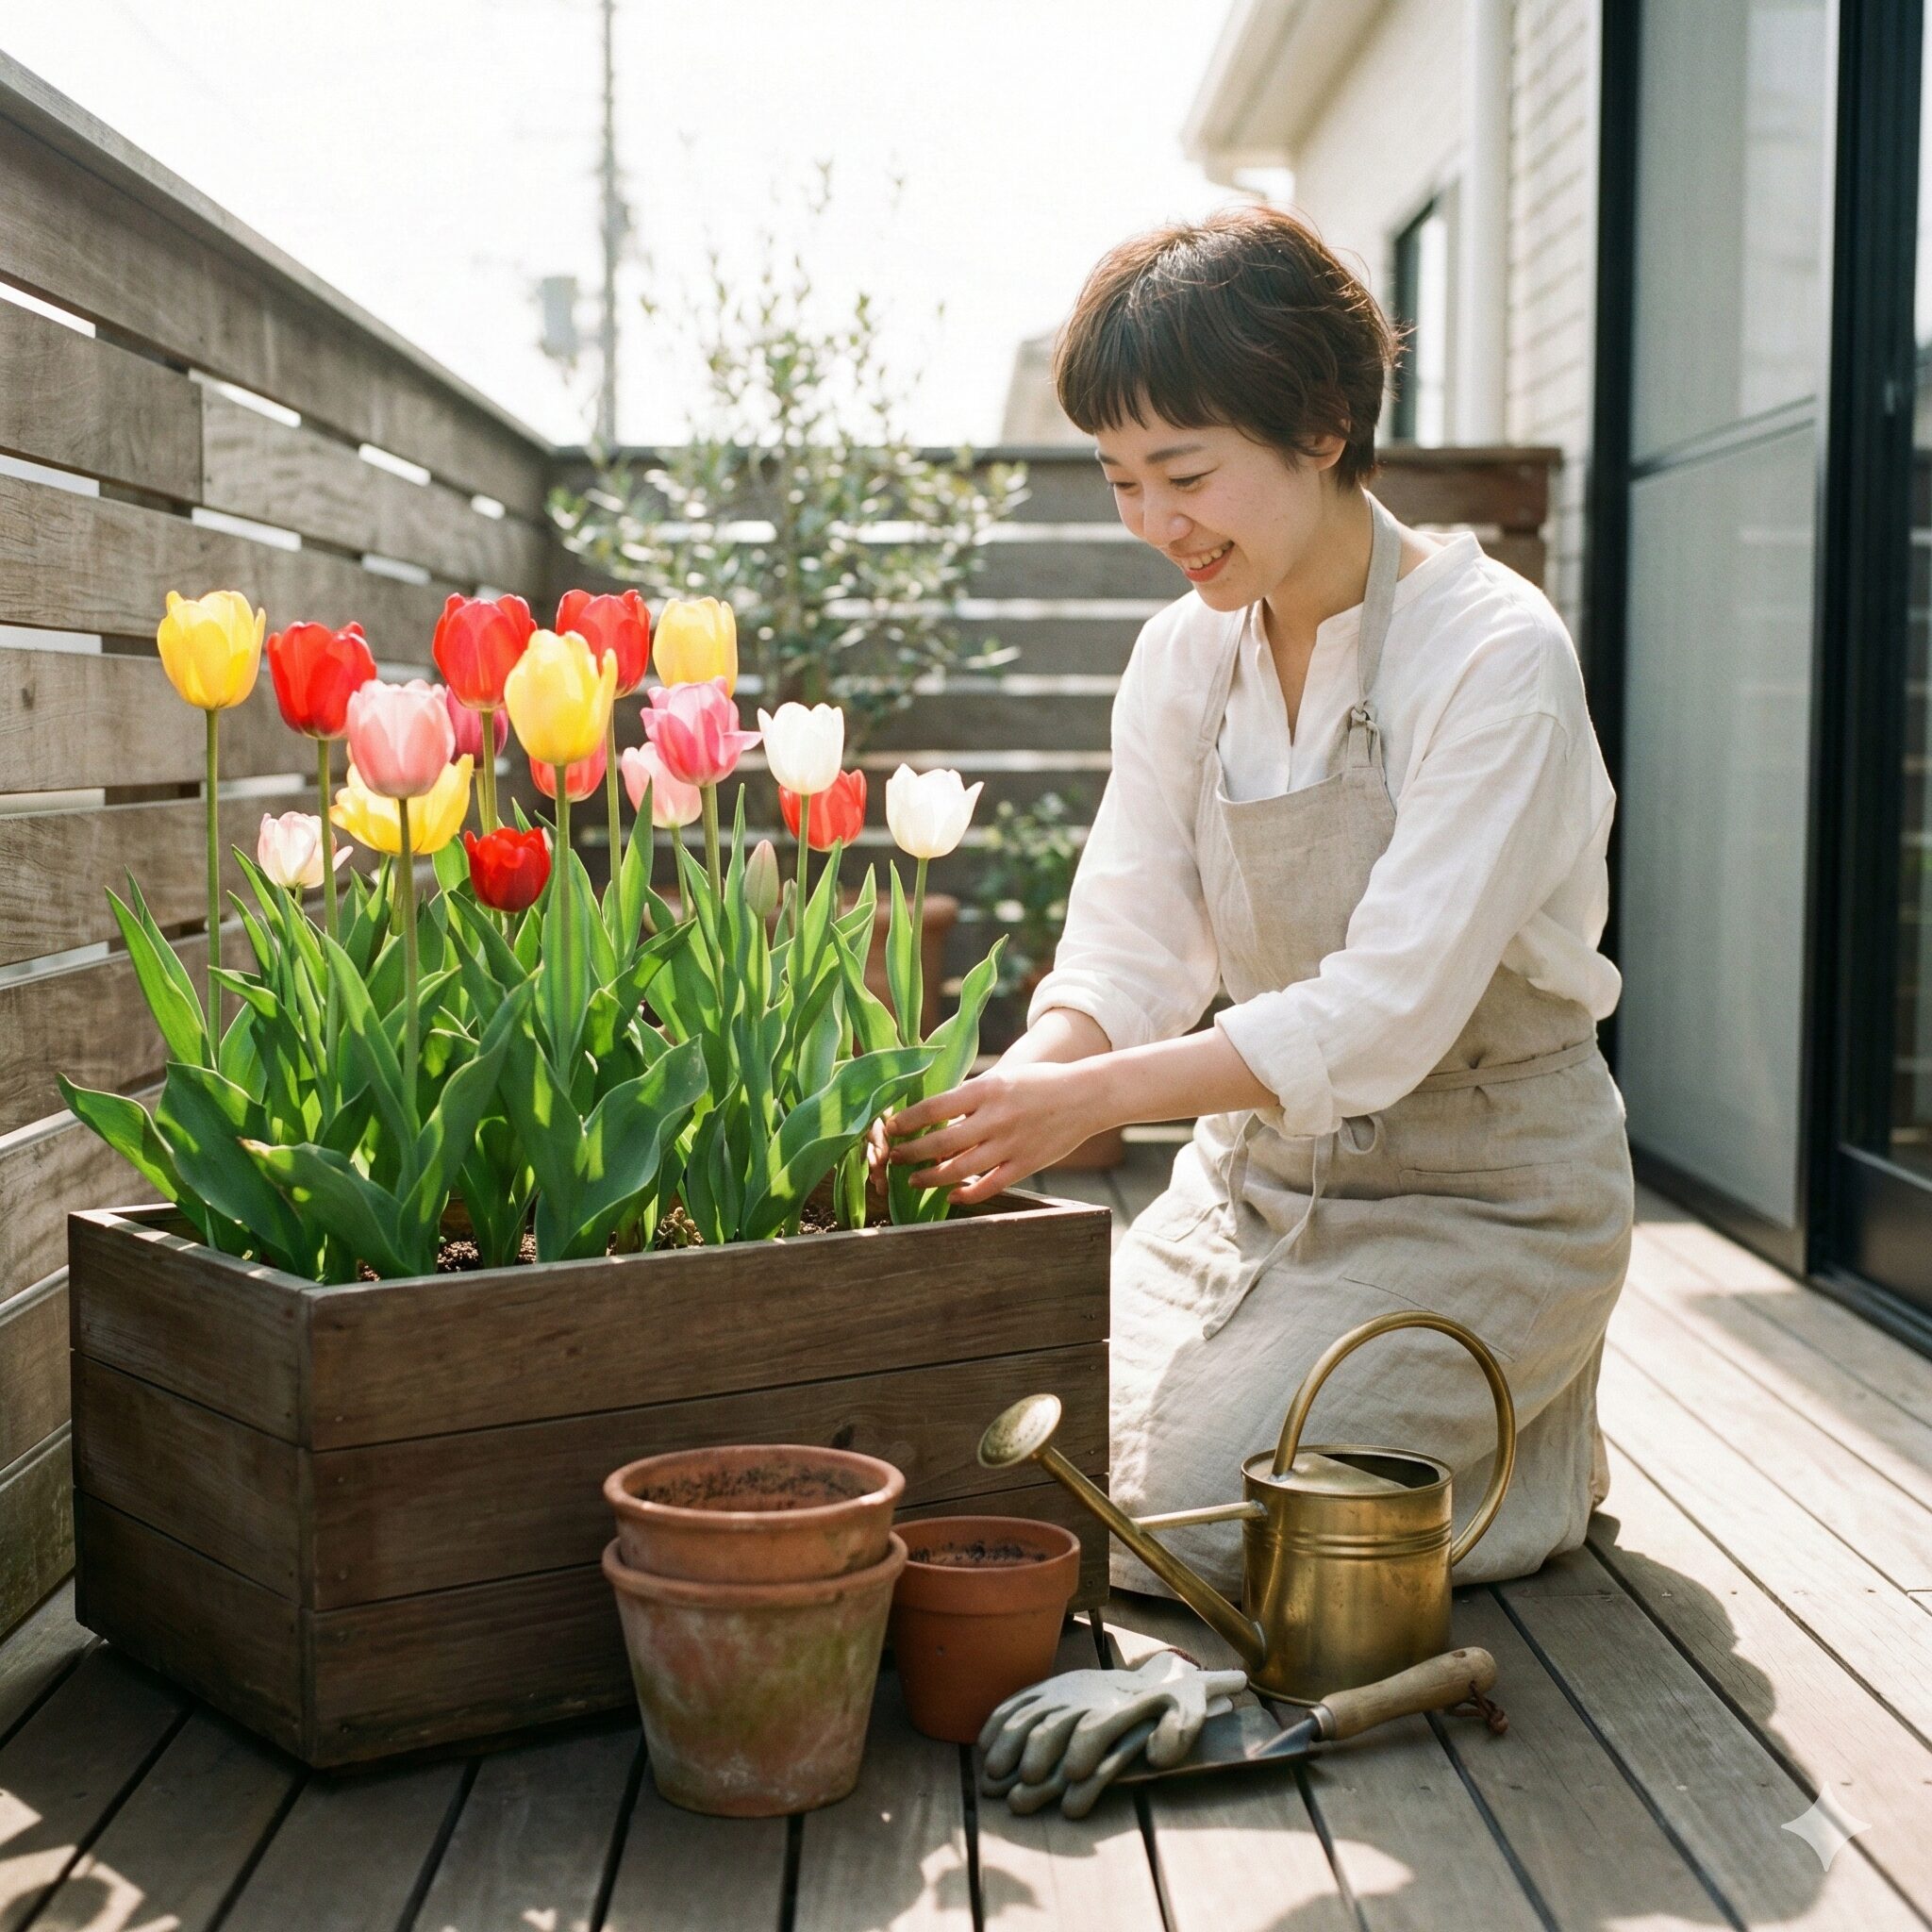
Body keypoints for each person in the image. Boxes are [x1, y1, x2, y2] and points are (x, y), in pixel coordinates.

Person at [886, 204, 1632, 1592]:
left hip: (1489, 1194)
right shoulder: (1183, 656)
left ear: (1324, 430)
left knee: (1173, 1520)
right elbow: (1129, 935)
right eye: (1119, 480)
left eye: (1186, 473)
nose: (1155, 524)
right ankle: (1466, 1423)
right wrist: (1032, 1080)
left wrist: (1100, 1104)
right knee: (1017, 1461)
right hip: (1258, 1181)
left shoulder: (1492, 657)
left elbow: (1386, 1013)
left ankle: (1536, 1424)